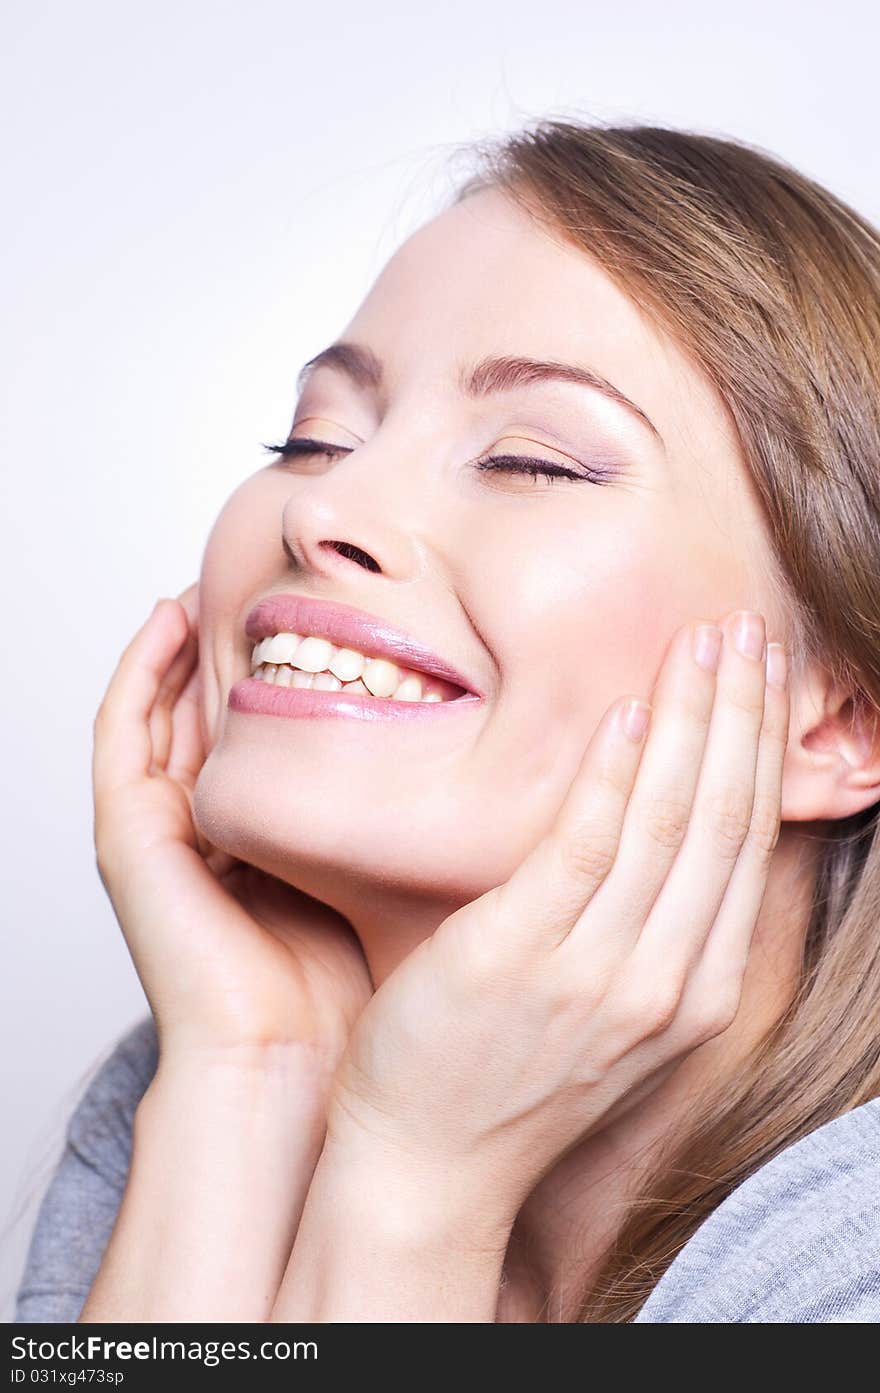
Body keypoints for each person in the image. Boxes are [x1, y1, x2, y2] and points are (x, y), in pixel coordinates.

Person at [15, 119, 880, 1324]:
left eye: (530, 460)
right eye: (313, 437)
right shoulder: (198, 1071)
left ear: (840, 721)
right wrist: (243, 1085)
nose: (326, 506)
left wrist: (413, 1190)